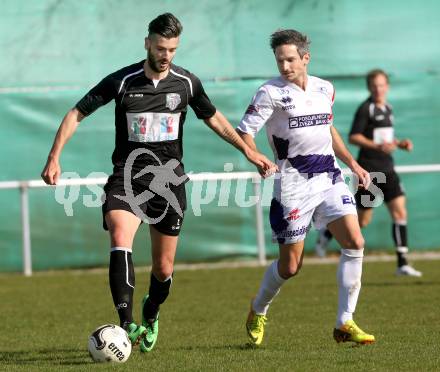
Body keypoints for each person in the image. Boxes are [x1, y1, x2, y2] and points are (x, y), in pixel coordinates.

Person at [41, 13, 276, 353]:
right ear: (147, 42)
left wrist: (248, 151)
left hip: (169, 183)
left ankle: (151, 312)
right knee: (120, 237)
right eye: (161, 47)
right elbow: (77, 112)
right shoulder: (123, 81)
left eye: (173, 49)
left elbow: (215, 119)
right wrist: (54, 156)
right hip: (127, 177)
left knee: (163, 269)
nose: (166, 55)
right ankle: (125, 326)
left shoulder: (186, 83)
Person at [237, 29, 375, 347]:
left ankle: (345, 322)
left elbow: (328, 128)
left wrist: (352, 164)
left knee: (355, 241)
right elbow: (244, 132)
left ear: (305, 58)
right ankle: (258, 309)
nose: (284, 66)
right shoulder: (268, 93)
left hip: (329, 176)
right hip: (292, 185)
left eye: (290, 59)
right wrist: (255, 156)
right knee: (291, 266)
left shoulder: (325, 89)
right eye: (279, 60)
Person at [315, 69, 422, 277]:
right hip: (369, 170)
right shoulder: (366, 109)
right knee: (362, 221)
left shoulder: (388, 108)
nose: (378, 89)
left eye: (381, 85)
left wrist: (400, 144)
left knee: (400, 212)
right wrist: (376, 146)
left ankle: (402, 263)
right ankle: (327, 233)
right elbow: (354, 137)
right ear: (369, 87)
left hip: (388, 169)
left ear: (387, 87)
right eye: (374, 85)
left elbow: (385, 140)